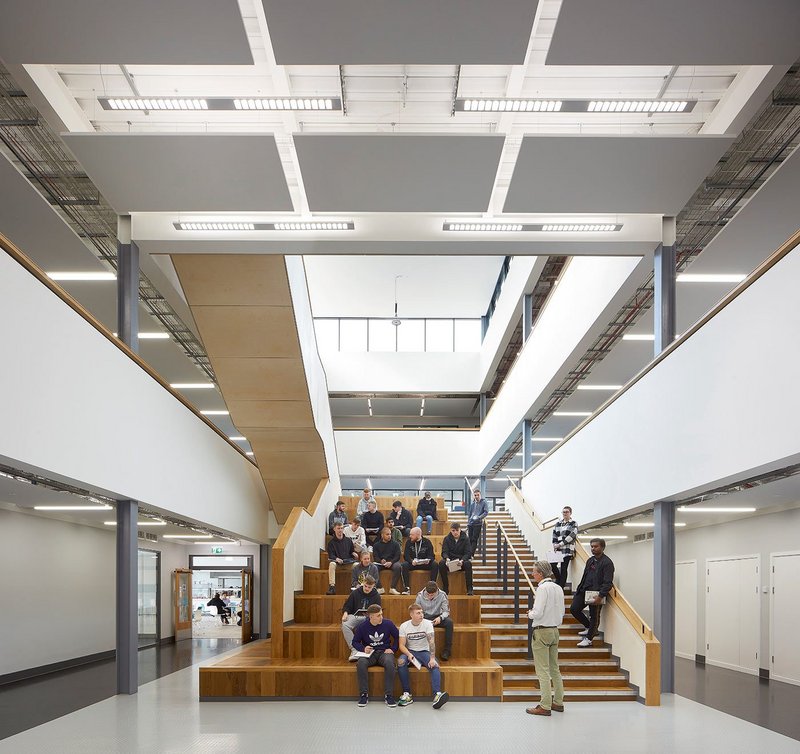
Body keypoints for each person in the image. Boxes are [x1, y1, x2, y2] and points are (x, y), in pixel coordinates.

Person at [525, 561, 565, 717]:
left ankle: (545, 705)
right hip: (555, 630)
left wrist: (529, 614)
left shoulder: (542, 588)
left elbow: (538, 612)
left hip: (542, 631)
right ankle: (558, 702)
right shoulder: (558, 588)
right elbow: (561, 612)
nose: (532, 575)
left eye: (534, 572)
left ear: (540, 573)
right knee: (555, 668)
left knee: (542, 670)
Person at [397, 603, 449, 709]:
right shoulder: (404, 626)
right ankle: (407, 694)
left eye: (422, 612)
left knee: (434, 666)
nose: (421, 615)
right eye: (418, 613)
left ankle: (437, 695)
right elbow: (401, 645)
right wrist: (408, 654)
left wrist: (432, 658)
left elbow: (432, 642)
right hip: (410, 651)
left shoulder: (427, 624)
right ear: (411, 615)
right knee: (400, 662)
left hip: (424, 651)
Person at [351, 604, 399, 708]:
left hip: (384, 652)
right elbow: (355, 642)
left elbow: (397, 637)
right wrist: (363, 649)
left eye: (381, 614)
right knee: (361, 663)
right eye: (378, 615)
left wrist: (393, 649)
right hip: (370, 653)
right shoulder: (362, 626)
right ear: (371, 616)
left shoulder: (388, 623)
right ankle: (364, 694)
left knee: (390, 663)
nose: (381, 617)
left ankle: (389, 695)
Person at [571, 538, 615, 647]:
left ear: (602, 547)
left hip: (596, 593)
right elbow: (585, 576)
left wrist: (600, 596)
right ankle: (588, 627)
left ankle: (589, 639)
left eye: (596, 546)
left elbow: (608, 582)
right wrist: (579, 589)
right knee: (574, 609)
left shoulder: (607, 563)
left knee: (594, 616)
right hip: (583, 590)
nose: (593, 549)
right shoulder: (590, 560)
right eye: (592, 546)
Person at [341, 575, 381, 661]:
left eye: (369, 587)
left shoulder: (376, 595)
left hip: (368, 618)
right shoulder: (355, 592)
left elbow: (378, 610)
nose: (366, 588)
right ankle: (354, 650)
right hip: (355, 616)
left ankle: (368, 650)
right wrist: (345, 613)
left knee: (370, 624)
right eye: (365, 586)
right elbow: (347, 606)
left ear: (373, 586)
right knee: (345, 625)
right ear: (363, 583)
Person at [416, 581, 454, 661]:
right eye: (428, 594)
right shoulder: (420, 595)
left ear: (437, 591)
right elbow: (417, 610)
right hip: (425, 617)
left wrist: (440, 618)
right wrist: (422, 618)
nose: (430, 596)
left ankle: (447, 651)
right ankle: (419, 650)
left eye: (432, 595)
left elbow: (446, 611)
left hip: (438, 617)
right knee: (416, 622)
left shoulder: (443, 595)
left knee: (449, 623)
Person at [439, 522, 474, 596]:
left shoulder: (466, 539)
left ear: (460, 530)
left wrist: (462, 560)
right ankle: (445, 587)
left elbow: (468, 553)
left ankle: (469, 589)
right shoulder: (447, 539)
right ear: (451, 531)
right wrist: (447, 558)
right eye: (453, 531)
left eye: (457, 530)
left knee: (468, 564)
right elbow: (444, 552)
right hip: (450, 562)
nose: (455, 532)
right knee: (441, 563)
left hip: (461, 562)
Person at [550, 506, 578, 589]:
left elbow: (571, 536)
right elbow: (554, 535)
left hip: (568, 549)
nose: (565, 513)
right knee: (552, 564)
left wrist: (560, 544)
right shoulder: (558, 524)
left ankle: (561, 586)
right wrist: (555, 544)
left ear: (570, 513)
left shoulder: (573, 523)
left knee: (563, 567)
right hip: (558, 548)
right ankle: (559, 579)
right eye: (563, 512)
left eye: (567, 512)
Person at [373, 526, 406, 595]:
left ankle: (393, 588)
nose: (389, 536)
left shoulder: (395, 544)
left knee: (398, 566)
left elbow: (397, 556)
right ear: (382, 535)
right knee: (373, 567)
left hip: (392, 562)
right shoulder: (376, 545)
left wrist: (391, 562)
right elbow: (375, 557)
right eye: (387, 534)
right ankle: (379, 588)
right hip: (381, 563)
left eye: (390, 534)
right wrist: (380, 561)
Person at [327, 522, 357, 595]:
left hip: (347, 563)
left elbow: (351, 552)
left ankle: (354, 586)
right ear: (334, 529)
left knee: (356, 565)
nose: (340, 530)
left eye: (341, 528)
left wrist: (353, 553)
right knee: (331, 564)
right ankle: (332, 587)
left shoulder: (348, 540)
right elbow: (331, 555)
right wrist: (336, 558)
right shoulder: (331, 542)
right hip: (338, 564)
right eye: (338, 528)